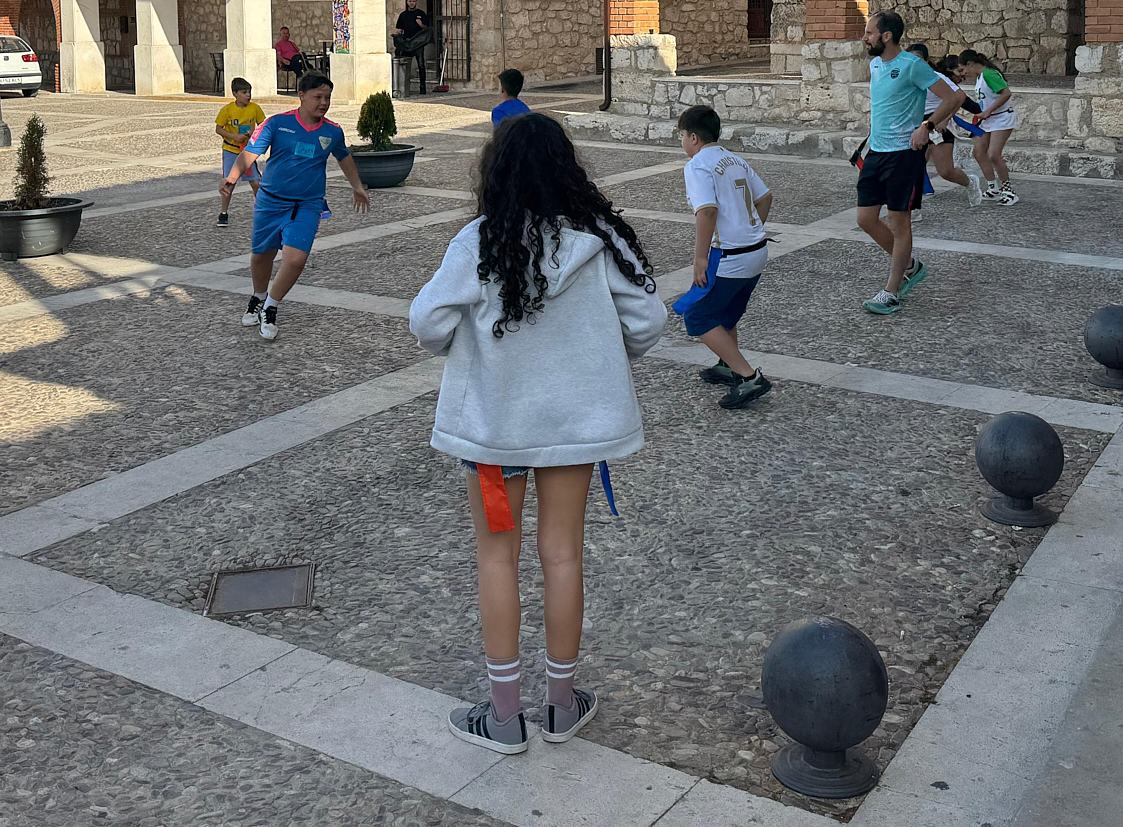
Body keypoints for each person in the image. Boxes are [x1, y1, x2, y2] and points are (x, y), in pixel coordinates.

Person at [412, 111, 663, 753]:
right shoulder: (601, 239)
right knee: (563, 554)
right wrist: (598, 353)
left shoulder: (480, 240)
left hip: (495, 434)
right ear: (566, 171)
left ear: (496, 174)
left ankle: (503, 717)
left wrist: (467, 343)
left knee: (497, 556)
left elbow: (427, 321)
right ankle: (559, 705)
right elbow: (648, 322)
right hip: (574, 428)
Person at [222, 71, 370, 341]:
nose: (323, 103)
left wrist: (357, 187)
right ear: (301, 96)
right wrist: (231, 179)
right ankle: (258, 297)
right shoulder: (277, 124)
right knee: (262, 255)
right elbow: (250, 153)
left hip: (308, 205)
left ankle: (271, 306)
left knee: (296, 259)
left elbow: (344, 157)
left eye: (327, 98)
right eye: (318, 97)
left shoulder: (333, 131)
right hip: (270, 201)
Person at [858, 11, 968, 315]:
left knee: (899, 222)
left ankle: (891, 291)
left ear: (886, 36)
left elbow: (953, 98)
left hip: (904, 155)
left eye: (869, 33)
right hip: (876, 152)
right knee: (865, 219)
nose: (865, 38)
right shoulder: (875, 64)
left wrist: (927, 126)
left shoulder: (912, 65)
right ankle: (909, 265)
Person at [675, 104, 774, 409]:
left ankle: (748, 377)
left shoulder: (697, 165)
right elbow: (765, 197)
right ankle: (726, 364)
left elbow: (706, 211)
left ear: (693, 137)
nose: (682, 142)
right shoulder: (735, 160)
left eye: (681, 136)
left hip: (730, 255)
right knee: (726, 311)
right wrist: (750, 228)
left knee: (698, 315)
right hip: (757, 251)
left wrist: (700, 259)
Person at [915, 47, 986, 205]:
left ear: (926, 60)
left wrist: (945, 119)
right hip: (914, 123)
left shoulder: (935, 76)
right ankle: (911, 207)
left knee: (945, 171)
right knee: (911, 166)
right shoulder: (903, 76)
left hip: (936, 121)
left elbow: (959, 96)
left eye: (918, 59)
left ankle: (969, 182)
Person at [959, 50, 1020, 204]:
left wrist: (988, 111)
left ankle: (1009, 191)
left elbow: (1006, 93)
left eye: (963, 69)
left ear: (970, 64)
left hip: (1002, 118)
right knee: (979, 152)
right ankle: (993, 188)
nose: (963, 74)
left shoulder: (989, 74)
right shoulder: (980, 77)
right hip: (988, 120)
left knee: (994, 155)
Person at [213, 77, 264, 226]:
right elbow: (218, 129)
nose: (248, 95)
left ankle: (262, 210)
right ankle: (223, 213)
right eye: (244, 92)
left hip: (247, 151)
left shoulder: (255, 108)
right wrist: (234, 136)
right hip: (231, 150)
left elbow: (263, 126)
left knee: (256, 182)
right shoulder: (227, 110)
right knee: (229, 183)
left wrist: (254, 135)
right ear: (235, 94)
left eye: (249, 92)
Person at [393, 0, 433, 90]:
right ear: (407, 2)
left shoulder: (421, 14)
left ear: (416, 2)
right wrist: (398, 33)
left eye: (413, 1)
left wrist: (421, 25)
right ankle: (403, 86)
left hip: (418, 44)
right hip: (407, 43)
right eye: (410, 1)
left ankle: (422, 87)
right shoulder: (403, 15)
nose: (412, 3)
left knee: (421, 64)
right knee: (404, 64)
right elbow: (399, 28)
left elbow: (427, 28)